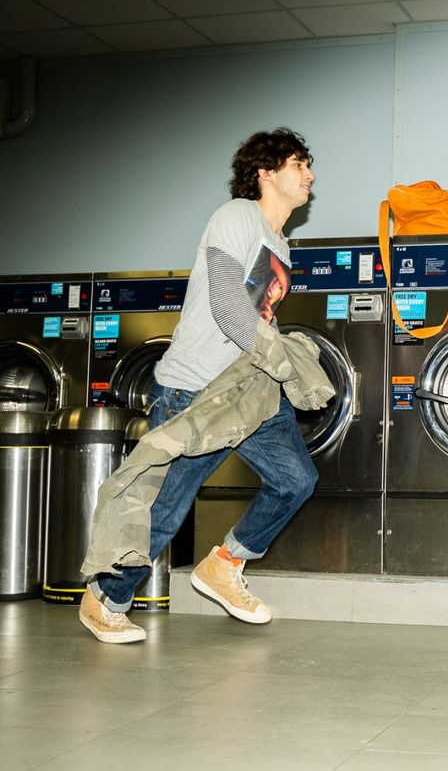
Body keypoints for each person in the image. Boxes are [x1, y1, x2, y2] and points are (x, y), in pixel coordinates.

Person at [79, 128, 320, 643]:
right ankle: (105, 599)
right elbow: (230, 308)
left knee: (296, 479)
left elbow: (258, 317)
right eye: (299, 164)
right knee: (167, 507)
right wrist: (282, 360)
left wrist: (287, 364)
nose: (310, 175)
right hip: (196, 390)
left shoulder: (281, 243)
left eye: (308, 166)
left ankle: (224, 563)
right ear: (266, 172)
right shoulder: (237, 216)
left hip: (245, 389)